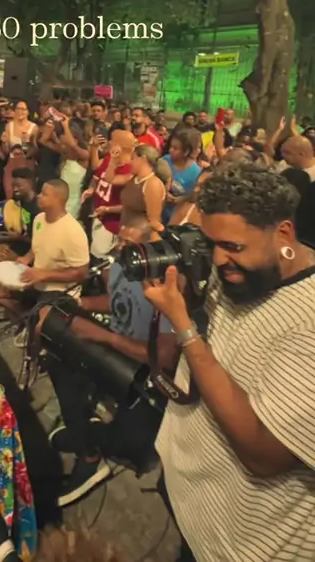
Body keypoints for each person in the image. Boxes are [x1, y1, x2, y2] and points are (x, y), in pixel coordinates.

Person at [145, 164, 315, 562]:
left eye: (233, 247)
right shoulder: (243, 271)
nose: (219, 260)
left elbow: (263, 454)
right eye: (210, 244)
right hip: (192, 498)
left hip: (246, 544)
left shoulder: (308, 320)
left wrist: (184, 326)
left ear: (284, 234)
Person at [41, 215, 165, 506]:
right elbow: (118, 302)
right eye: (119, 240)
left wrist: (102, 336)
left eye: (128, 243)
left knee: (134, 445)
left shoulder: (161, 284)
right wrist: (83, 304)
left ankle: (92, 453)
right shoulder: (121, 266)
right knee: (59, 358)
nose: (120, 248)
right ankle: (84, 440)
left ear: (147, 249)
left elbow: (161, 356)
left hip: (143, 369)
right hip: (116, 345)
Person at [0, 179, 89, 314]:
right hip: (36, 281)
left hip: (59, 291)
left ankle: (32, 320)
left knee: (42, 316)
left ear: (57, 199)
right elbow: (38, 245)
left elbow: (81, 273)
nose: (39, 196)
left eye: (44, 194)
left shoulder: (73, 232)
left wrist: (44, 275)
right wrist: (27, 258)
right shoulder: (39, 219)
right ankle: (26, 319)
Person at [83, 129, 135, 258]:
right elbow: (97, 172)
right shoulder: (109, 159)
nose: (109, 142)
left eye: (113, 141)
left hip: (111, 225)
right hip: (98, 216)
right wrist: (91, 189)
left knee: (101, 259)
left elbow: (130, 206)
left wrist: (107, 209)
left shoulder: (130, 172)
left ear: (120, 147)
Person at [121, 144, 167, 238]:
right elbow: (129, 207)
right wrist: (107, 209)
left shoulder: (152, 184)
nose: (130, 162)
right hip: (125, 234)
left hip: (139, 239)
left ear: (143, 159)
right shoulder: (133, 179)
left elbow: (154, 222)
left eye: (133, 158)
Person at [163, 129, 201, 222]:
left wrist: (179, 199)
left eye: (175, 148)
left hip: (175, 218)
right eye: (171, 146)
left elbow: (193, 196)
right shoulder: (164, 161)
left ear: (186, 152)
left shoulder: (196, 173)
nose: (170, 150)